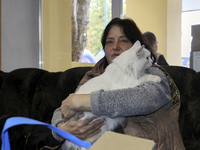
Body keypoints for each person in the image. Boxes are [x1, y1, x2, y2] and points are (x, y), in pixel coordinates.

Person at [51, 18, 185, 150]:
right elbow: (63, 108)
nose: (115, 47)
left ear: (135, 47)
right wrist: (61, 127)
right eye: (109, 42)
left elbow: (143, 99)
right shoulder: (93, 76)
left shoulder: (154, 74)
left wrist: (80, 101)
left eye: (123, 40)